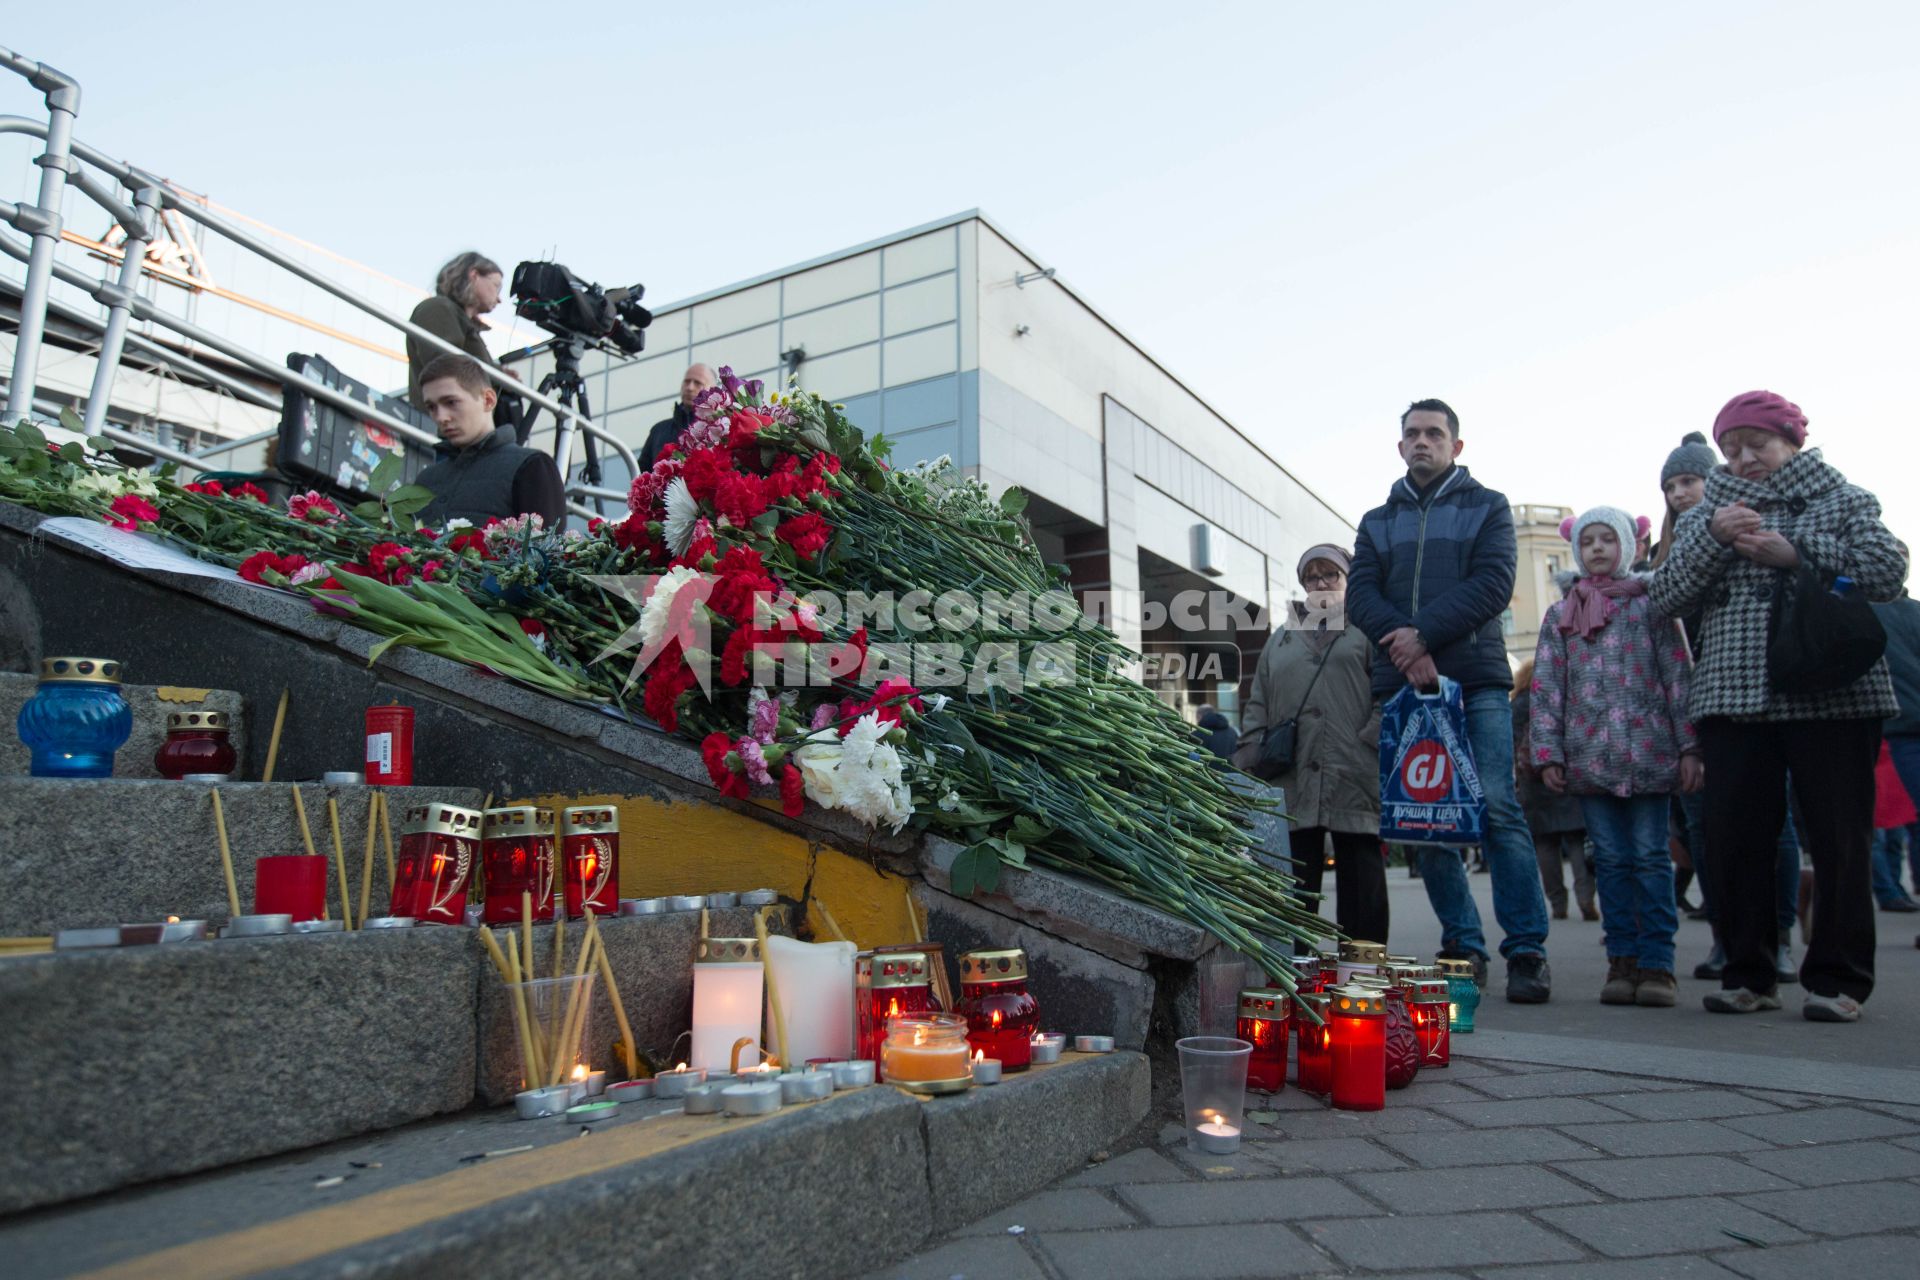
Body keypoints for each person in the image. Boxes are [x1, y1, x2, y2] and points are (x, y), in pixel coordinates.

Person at [1650, 390, 1906, 1022]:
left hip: (1833, 690)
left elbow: (1887, 571)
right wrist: (1712, 540)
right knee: (1735, 838)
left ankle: (1838, 981)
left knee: (1840, 839)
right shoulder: (1710, 510)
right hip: (1735, 696)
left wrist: (1796, 554)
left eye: (1756, 445)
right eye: (1731, 449)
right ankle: (1748, 973)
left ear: (1791, 440)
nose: (1743, 459)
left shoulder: (1842, 498)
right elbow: (1667, 597)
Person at [1347, 399, 1553, 1001]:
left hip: (1478, 681)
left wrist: (1423, 636)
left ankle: (1527, 952)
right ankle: (1462, 945)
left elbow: (1493, 584)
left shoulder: (1486, 507)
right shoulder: (1376, 520)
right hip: (1402, 688)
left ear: (1456, 446)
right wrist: (1407, 651)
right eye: (1411, 433)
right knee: (1423, 816)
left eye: (1434, 434)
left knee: (1497, 808)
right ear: (1400, 445)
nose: (1422, 442)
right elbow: (1360, 595)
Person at [1531, 507, 1701, 1007]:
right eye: (1589, 542)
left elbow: (1677, 677)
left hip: (1649, 758)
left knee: (1650, 859)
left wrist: (1690, 746)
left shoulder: (1652, 607)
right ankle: (1621, 961)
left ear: (1629, 547)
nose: (1598, 549)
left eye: (1608, 540)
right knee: (1610, 861)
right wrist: (1548, 753)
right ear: (1577, 551)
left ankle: (1657, 965)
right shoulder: (1561, 613)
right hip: (1591, 760)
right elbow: (1547, 690)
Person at [1654, 431, 1801, 982]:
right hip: (1688, 706)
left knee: (1772, 824)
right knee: (1706, 827)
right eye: (1670, 486)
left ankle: (1778, 935)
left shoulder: (1746, 524)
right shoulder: (1662, 553)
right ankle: (1726, 935)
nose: (1680, 494)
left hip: (1745, 694)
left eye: (1689, 480)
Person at [1236, 544, 1388, 945]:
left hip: (1353, 767)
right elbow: (1259, 701)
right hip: (1291, 771)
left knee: (1361, 871)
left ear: (1348, 579)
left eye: (1330, 575)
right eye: (1312, 576)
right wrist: (1250, 751)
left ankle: (1363, 972)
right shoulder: (1281, 639)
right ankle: (1296, 969)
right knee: (1295, 878)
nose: (1320, 583)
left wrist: (1371, 737)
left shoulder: (1367, 629)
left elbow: (1388, 691)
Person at [414, 354, 565, 528]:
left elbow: (549, 551)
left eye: (451, 402)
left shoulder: (532, 465)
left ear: (488, 400)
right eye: (431, 407)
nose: (441, 417)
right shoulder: (425, 480)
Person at [1511, 658, 1594, 922]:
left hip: (1532, 780)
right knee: (1576, 839)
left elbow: (1510, 743)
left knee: (1546, 844)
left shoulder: (1518, 704)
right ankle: (1586, 897)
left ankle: (1558, 903)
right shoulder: (1560, 698)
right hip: (1563, 773)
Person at [407, 252, 506, 410]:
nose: (499, 299)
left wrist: (500, 374)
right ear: (474, 275)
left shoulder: (460, 321)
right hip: (441, 425)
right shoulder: (437, 308)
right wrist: (498, 377)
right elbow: (444, 367)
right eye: (496, 286)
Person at [639, 364, 720, 470]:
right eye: (687, 381)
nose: (690, 388)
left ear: (712, 391)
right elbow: (640, 474)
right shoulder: (658, 431)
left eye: (698, 383)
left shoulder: (720, 430)